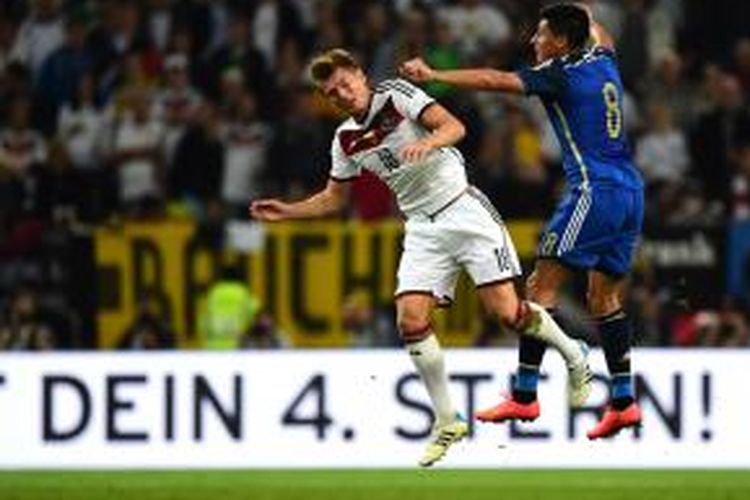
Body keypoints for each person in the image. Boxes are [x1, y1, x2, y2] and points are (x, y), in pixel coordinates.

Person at [250, 48, 590, 466]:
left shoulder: (394, 94)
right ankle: (448, 420)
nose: (340, 93)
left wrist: (428, 141)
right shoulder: (344, 139)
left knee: (507, 313)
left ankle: (575, 354)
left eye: (344, 82)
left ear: (360, 75)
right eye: (331, 92)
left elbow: (454, 127)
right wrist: (288, 211)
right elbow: (332, 200)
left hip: (462, 209)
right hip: (422, 228)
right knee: (410, 320)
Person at [400, 3, 645, 439]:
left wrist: (435, 75)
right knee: (603, 298)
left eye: (541, 33)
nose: (533, 41)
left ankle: (525, 394)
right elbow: (593, 24)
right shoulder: (604, 57)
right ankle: (624, 403)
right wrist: (579, 12)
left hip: (595, 190)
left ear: (562, 42)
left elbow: (495, 80)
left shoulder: (559, 74)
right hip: (631, 192)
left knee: (537, 288)